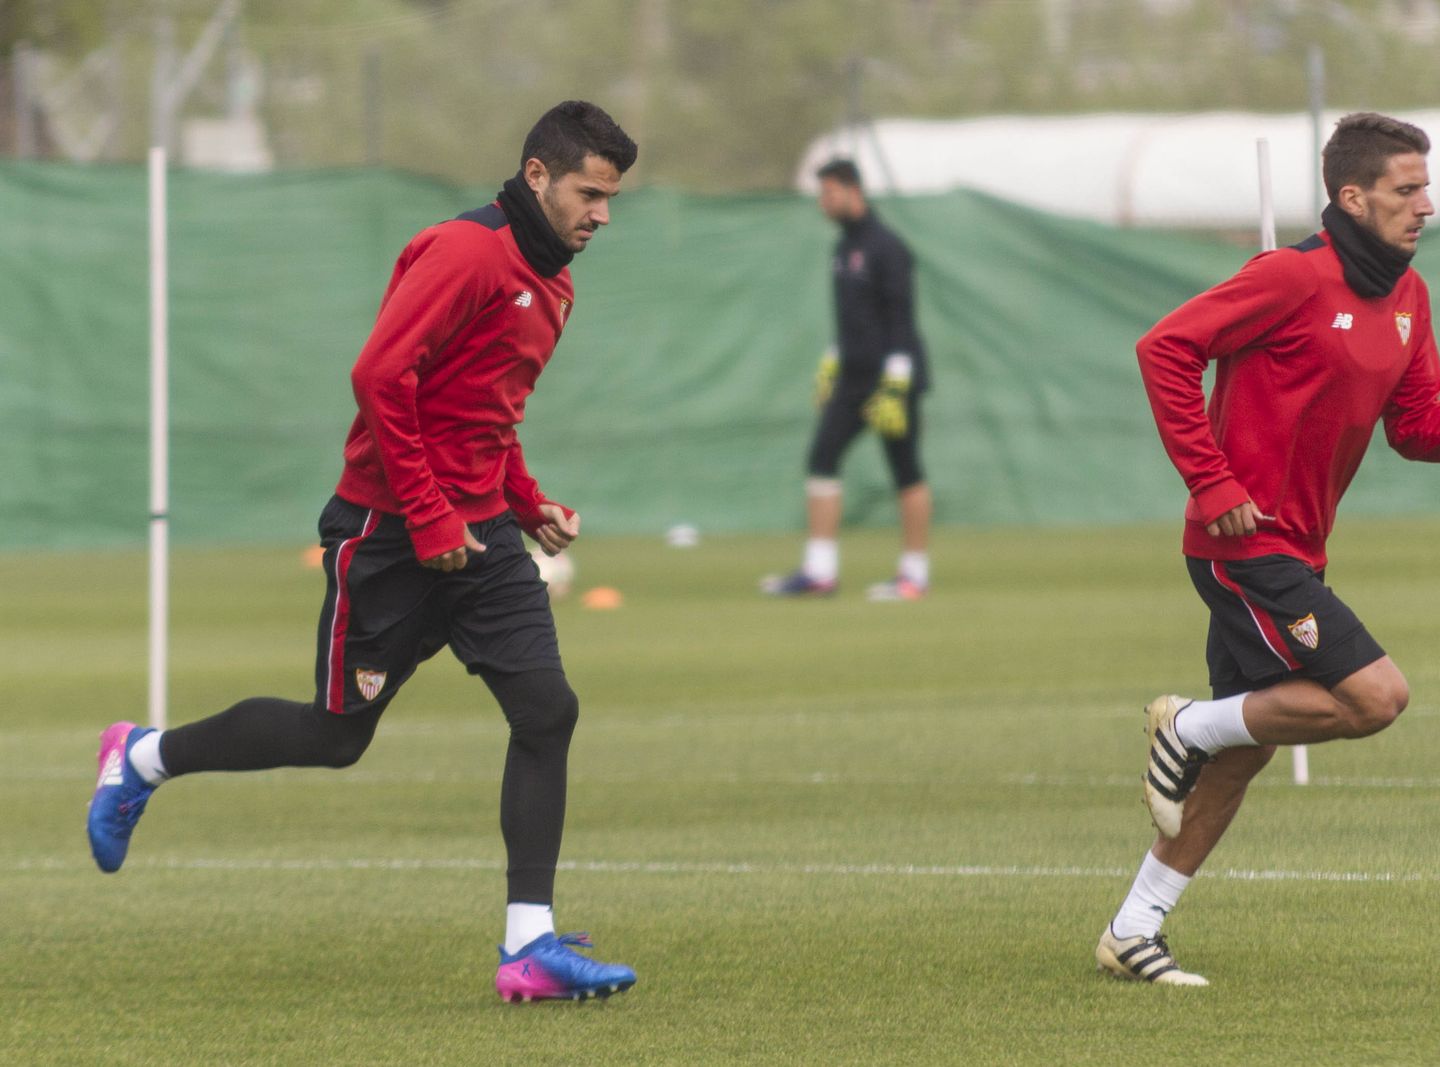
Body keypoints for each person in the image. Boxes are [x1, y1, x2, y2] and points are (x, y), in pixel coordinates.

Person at [87, 101, 640, 1004]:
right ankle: (141, 758)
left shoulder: (556, 277)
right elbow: (381, 377)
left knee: (547, 710)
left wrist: (527, 502)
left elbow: (484, 412)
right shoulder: (465, 252)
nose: (603, 214)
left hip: (482, 537)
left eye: (613, 197)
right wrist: (428, 520)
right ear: (536, 174)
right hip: (390, 531)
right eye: (590, 192)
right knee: (336, 735)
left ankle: (528, 946)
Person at [1096, 112, 1440, 986]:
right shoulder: (1290, 276)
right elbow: (1165, 348)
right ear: (1353, 196)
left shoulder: (1408, 295)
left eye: (1425, 186)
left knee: (1243, 755)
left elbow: (1414, 426)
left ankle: (1131, 929)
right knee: (1376, 697)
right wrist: (1212, 481)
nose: (1424, 206)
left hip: (1302, 549)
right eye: (1406, 190)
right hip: (1240, 543)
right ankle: (1183, 722)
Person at [762, 158, 933, 601]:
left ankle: (914, 575)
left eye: (829, 192)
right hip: (853, 380)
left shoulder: (888, 247)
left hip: (892, 381)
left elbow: (900, 320)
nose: (823, 202)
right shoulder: (842, 249)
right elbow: (851, 321)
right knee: (822, 458)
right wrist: (831, 364)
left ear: (853, 190)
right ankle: (820, 572)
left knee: (906, 470)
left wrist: (896, 385)